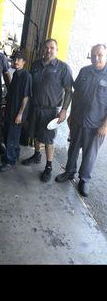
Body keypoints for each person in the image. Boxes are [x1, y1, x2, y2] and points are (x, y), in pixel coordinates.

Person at [55, 44, 107, 197]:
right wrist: (71, 114)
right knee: (73, 148)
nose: (96, 58)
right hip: (78, 119)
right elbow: (76, 93)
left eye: (99, 55)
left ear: (105, 55)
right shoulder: (85, 71)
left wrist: (105, 125)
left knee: (90, 154)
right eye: (93, 55)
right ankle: (69, 172)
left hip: (96, 125)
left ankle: (84, 180)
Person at [22, 38, 73, 182]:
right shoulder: (36, 65)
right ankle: (37, 155)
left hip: (51, 111)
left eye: (51, 48)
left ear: (56, 50)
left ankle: (49, 166)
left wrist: (63, 110)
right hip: (35, 107)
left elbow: (69, 91)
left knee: (48, 139)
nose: (48, 50)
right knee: (36, 135)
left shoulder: (63, 68)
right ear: (42, 50)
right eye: (46, 48)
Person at [0, 51, 32, 172]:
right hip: (10, 109)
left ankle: (9, 161)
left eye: (19, 59)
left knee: (11, 137)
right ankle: (14, 154)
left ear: (24, 62)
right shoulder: (16, 74)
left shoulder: (26, 76)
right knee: (10, 134)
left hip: (17, 112)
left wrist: (20, 114)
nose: (16, 61)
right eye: (14, 59)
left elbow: (26, 97)